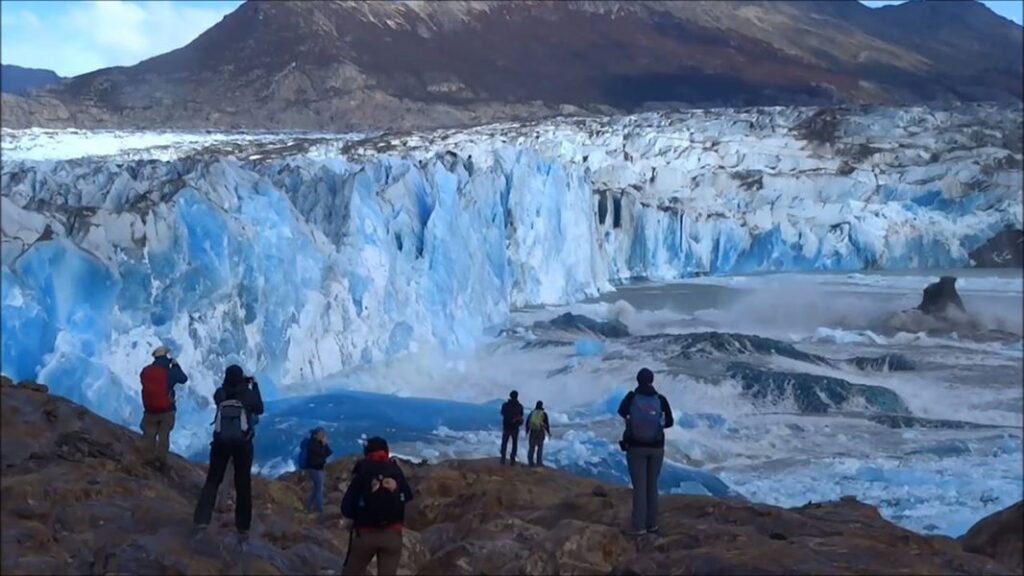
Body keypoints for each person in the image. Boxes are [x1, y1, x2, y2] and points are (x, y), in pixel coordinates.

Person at [192, 365, 265, 543]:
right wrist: (253, 385)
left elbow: (221, 396)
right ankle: (243, 528)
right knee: (243, 484)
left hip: (220, 443)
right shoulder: (247, 394)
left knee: (212, 481)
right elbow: (259, 408)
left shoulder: (220, 393)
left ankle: (201, 521)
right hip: (242, 444)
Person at [341, 437, 414, 576]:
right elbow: (408, 496)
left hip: (365, 535)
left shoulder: (362, 472)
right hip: (392, 535)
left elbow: (346, 509)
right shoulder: (395, 471)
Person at [617, 368, 674, 537]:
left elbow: (621, 412)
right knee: (652, 487)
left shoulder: (632, 397)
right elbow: (670, 422)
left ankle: (639, 527)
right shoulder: (661, 399)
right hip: (657, 448)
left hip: (636, 448)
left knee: (639, 488)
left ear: (637, 380)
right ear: (652, 380)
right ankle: (653, 525)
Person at [139, 345, 189, 469]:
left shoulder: (145, 371)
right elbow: (183, 379)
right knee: (164, 436)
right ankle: (160, 461)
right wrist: (176, 365)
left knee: (149, 435)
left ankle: (147, 459)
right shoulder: (169, 372)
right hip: (167, 410)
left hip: (150, 410)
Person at [303, 427, 333, 513]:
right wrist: (324, 445)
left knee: (316, 488)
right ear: (316, 435)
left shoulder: (319, 443)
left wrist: (325, 444)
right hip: (314, 469)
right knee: (319, 489)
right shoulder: (312, 443)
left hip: (318, 468)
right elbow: (320, 453)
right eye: (321, 434)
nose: (323, 436)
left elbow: (329, 452)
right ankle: (320, 509)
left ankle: (308, 506)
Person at [499, 390, 524, 466]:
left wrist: (508, 417)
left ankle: (503, 458)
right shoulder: (519, 406)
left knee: (504, 442)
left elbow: (502, 413)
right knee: (514, 443)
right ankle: (512, 459)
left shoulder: (505, 405)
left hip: (506, 426)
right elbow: (521, 415)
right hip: (515, 427)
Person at [526, 400, 551, 467]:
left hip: (533, 431)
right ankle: (539, 462)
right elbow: (547, 424)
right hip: (540, 432)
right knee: (540, 448)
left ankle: (530, 462)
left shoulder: (532, 413)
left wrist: (527, 431)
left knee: (531, 447)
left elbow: (527, 423)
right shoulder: (544, 414)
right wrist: (549, 432)